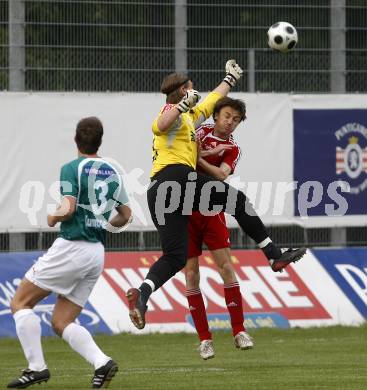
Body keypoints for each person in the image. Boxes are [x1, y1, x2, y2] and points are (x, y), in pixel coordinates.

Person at [126, 60, 306, 331]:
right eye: (190, 87)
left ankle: (142, 294)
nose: (195, 90)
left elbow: (211, 101)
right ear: (182, 90)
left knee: (175, 257)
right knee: (237, 202)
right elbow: (160, 124)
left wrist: (229, 80)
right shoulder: (173, 111)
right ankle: (272, 254)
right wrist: (181, 105)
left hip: (158, 192)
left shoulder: (189, 117)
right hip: (176, 179)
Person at [7, 117, 131, 389]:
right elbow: (126, 215)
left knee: (20, 303)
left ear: (76, 139)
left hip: (72, 246)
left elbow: (69, 207)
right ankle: (102, 362)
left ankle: (36, 368)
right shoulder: (112, 171)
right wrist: (103, 226)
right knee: (62, 320)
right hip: (96, 253)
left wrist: (53, 216)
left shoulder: (71, 168)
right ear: (100, 141)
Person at [186, 97, 251, 360]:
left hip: (212, 208)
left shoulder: (233, 148)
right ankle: (204, 339)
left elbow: (222, 175)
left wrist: (199, 158)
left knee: (226, 267)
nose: (230, 122)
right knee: (191, 274)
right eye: (227, 116)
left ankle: (239, 330)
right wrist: (200, 155)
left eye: (235, 120)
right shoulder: (196, 130)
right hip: (184, 208)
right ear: (215, 114)